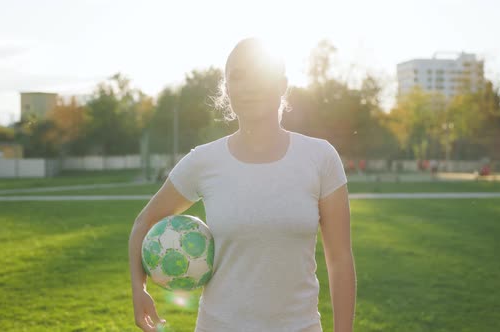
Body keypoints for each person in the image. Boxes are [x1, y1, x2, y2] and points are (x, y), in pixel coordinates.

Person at [129, 37, 356, 332]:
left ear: (282, 85)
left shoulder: (320, 157)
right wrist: (139, 289)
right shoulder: (203, 161)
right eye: (237, 76)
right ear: (227, 89)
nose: (248, 86)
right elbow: (144, 221)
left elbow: (339, 260)